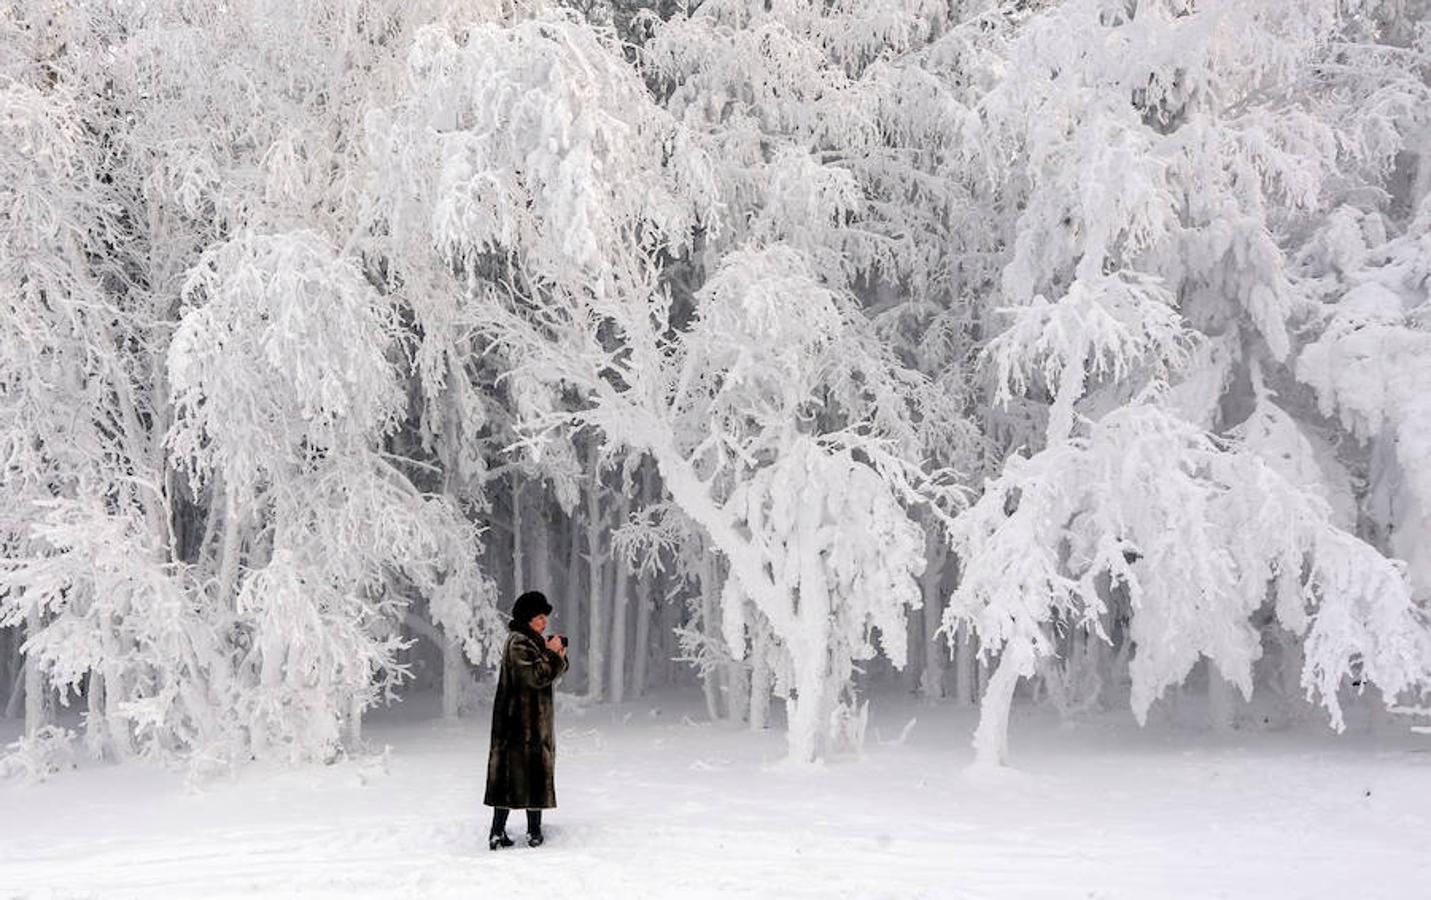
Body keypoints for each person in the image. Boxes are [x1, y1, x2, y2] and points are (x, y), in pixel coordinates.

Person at [485, 590, 569, 850]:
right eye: (539, 617)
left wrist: (555, 653)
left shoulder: (530, 640)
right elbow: (536, 676)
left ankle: (527, 831)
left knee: (528, 775)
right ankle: (501, 832)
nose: (544, 622)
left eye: (545, 617)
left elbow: (549, 670)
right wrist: (553, 654)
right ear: (527, 618)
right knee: (515, 776)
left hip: (529, 725)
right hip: (519, 725)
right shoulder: (518, 642)